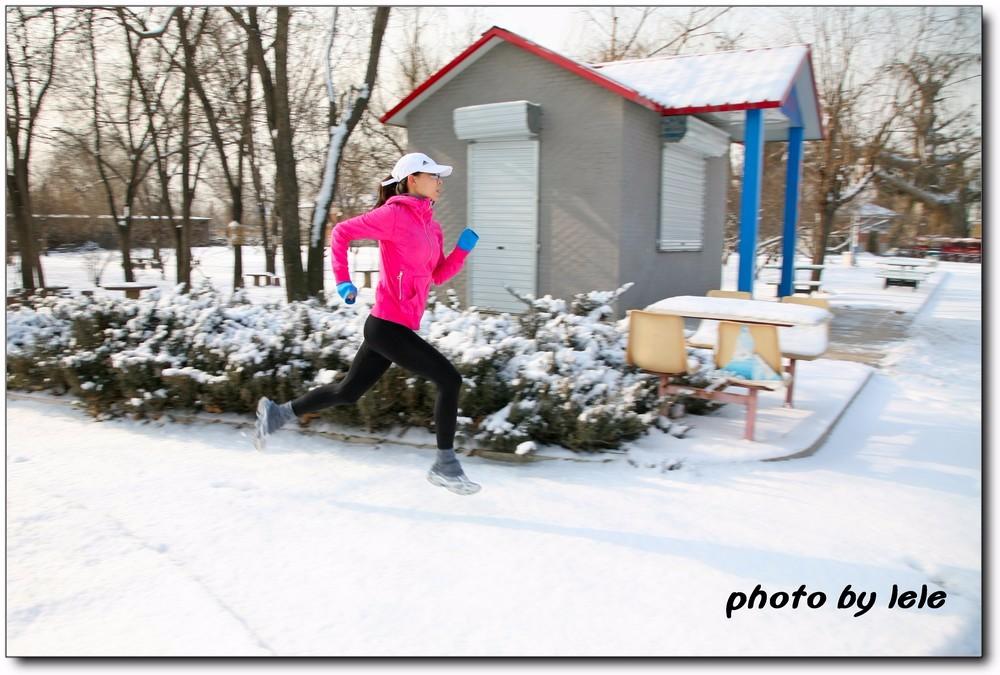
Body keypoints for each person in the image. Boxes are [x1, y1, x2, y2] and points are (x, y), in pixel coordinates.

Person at [253, 152, 482, 495]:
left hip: (392, 326)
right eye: (432, 175)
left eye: (439, 176)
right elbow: (342, 233)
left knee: (348, 392)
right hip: (389, 326)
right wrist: (343, 280)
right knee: (450, 379)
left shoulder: (430, 225)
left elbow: (435, 275)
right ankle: (445, 465)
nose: (439, 181)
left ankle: (278, 414)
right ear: (412, 180)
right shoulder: (393, 214)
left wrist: (461, 252)